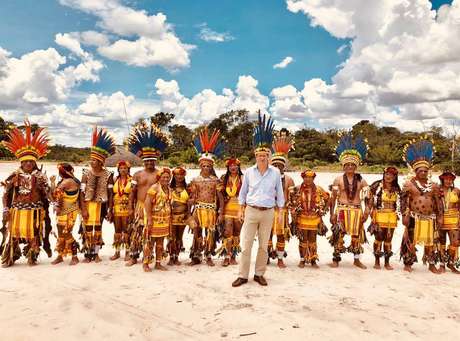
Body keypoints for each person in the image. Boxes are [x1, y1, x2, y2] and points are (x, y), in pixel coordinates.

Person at [232, 114, 285, 287]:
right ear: (255, 156)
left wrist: (280, 213)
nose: (262, 157)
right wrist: (241, 210)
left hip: (268, 212)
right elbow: (243, 192)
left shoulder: (275, 173)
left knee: (263, 245)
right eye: (259, 155)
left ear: (269, 156)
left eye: (265, 155)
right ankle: (242, 275)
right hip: (251, 211)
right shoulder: (248, 172)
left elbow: (280, 193)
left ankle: (259, 274)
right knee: (246, 245)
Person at [1, 120, 51, 267]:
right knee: (13, 234)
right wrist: (5, 208)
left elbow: (47, 193)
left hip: (35, 210)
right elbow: (6, 194)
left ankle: (32, 257)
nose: (28, 163)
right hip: (17, 210)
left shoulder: (40, 176)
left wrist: (52, 196)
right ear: (21, 163)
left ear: (35, 163)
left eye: (31, 161)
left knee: (34, 234)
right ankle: (10, 257)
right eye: (26, 161)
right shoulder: (15, 175)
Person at [126, 121, 168, 266]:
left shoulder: (160, 174)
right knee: (137, 231)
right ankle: (133, 256)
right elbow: (132, 192)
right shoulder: (137, 175)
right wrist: (131, 207)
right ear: (143, 161)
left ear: (155, 161)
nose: (149, 163)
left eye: (152, 160)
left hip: (155, 209)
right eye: (147, 161)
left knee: (152, 234)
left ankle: (152, 258)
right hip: (139, 207)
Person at [400, 139, 443, 274]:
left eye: (425, 171)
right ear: (415, 171)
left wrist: (440, 217)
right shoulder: (409, 184)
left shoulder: (434, 186)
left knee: (431, 242)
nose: (423, 173)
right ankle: (408, 262)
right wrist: (404, 215)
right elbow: (403, 201)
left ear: (428, 171)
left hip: (431, 218)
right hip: (414, 217)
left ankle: (431, 264)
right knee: (411, 239)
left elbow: (439, 202)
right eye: (420, 171)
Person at [329, 133, 369, 269]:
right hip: (341, 209)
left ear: (356, 166)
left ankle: (357, 260)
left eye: (352, 164)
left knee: (356, 236)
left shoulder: (362, 181)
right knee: (338, 234)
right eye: (347, 165)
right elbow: (333, 198)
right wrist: (332, 214)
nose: (350, 167)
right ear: (343, 166)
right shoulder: (338, 180)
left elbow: (368, 197)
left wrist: (367, 211)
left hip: (357, 210)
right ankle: (336, 259)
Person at [189, 127, 225, 266]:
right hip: (198, 209)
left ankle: (208, 255)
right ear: (200, 166)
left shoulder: (216, 181)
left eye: (208, 166)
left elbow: (220, 197)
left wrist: (221, 212)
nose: (206, 168)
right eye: (203, 166)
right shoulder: (195, 180)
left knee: (210, 232)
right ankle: (196, 256)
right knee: (197, 232)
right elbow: (192, 197)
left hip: (211, 210)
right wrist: (189, 212)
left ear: (211, 167)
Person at [80, 126, 116, 263]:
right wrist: (83, 208)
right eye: (91, 160)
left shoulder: (108, 175)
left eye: (94, 160)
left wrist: (110, 209)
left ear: (100, 162)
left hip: (101, 205)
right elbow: (81, 192)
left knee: (98, 228)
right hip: (88, 204)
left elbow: (111, 193)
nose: (91, 162)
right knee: (88, 229)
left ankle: (96, 253)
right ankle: (87, 254)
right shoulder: (86, 173)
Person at [290, 169, 329, 268]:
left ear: (313, 178)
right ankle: (302, 260)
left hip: (314, 219)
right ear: (303, 178)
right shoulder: (298, 189)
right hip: (302, 218)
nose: (308, 179)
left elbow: (328, 198)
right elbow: (291, 200)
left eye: (310, 177)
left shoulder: (319, 189)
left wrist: (323, 210)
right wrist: (294, 212)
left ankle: (313, 260)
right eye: (306, 177)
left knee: (313, 239)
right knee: (303, 239)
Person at [268, 132, 295, 268]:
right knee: (266, 235)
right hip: (268, 211)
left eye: (280, 165)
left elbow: (292, 198)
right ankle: (266, 257)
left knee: (281, 235)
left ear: (284, 166)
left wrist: (291, 210)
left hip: (282, 212)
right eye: (275, 164)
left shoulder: (289, 180)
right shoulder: (267, 177)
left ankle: (279, 259)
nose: (278, 167)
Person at [367, 167, 401, 270]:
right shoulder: (377, 185)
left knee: (388, 239)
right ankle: (377, 261)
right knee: (379, 237)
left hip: (392, 217)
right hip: (379, 215)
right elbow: (369, 199)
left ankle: (387, 262)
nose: (389, 176)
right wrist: (370, 211)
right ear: (384, 175)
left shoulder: (397, 188)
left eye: (392, 175)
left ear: (395, 177)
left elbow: (400, 203)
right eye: (387, 174)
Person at [50, 163, 81, 265]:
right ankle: (60, 255)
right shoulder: (68, 180)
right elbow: (56, 196)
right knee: (60, 234)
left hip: (69, 211)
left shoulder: (67, 182)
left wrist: (52, 183)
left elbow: (55, 195)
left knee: (67, 233)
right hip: (64, 211)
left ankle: (75, 256)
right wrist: (53, 183)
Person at [144, 167, 172, 272]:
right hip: (155, 219)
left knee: (160, 243)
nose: (165, 179)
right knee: (150, 242)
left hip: (164, 220)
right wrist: (150, 218)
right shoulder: (154, 187)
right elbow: (147, 203)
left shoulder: (169, 189)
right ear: (159, 178)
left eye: (167, 177)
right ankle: (145, 263)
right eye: (163, 177)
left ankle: (158, 263)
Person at [218, 157, 244, 266]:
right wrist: (220, 211)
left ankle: (233, 255)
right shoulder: (224, 178)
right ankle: (227, 256)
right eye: (231, 166)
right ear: (228, 168)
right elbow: (220, 194)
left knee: (236, 233)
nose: (233, 167)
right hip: (227, 208)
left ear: (238, 167)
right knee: (227, 232)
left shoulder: (243, 178)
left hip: (239, 208)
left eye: (235, 165)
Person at [438, 170, 460, 274]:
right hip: (441, 218)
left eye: (450, 179)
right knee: (441, 242)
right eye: (446, 179)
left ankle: (451, 263)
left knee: (455, 242)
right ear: (442, 179)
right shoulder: (437, 190)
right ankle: (442, 264)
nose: (448, 181)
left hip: (454, 219)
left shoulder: (456, 190)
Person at [168, 166, 191, 265]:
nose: (179, 176)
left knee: (179, 237)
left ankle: (176, 257)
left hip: (183, 216)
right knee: (171, 237)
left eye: (181, 174)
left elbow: (190, 203)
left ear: (184, 175)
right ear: (174, 175)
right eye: (177, 174)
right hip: (171, 216)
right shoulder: (169, 187)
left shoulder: (188, 188)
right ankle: (170, 257)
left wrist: (189, 214)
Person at [110, 160, 132, 261]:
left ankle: (128, 252)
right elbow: (111, 194)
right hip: (116, 207)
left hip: (127, 208)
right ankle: (117, 252)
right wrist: (110, 209)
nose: (123, 170)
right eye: (121, 168)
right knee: (117, 231)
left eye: (125, 168)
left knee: (127, 230)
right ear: (118, 169)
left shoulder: (131, 180)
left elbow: (134, 196)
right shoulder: (115, 179)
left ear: (128, 169)